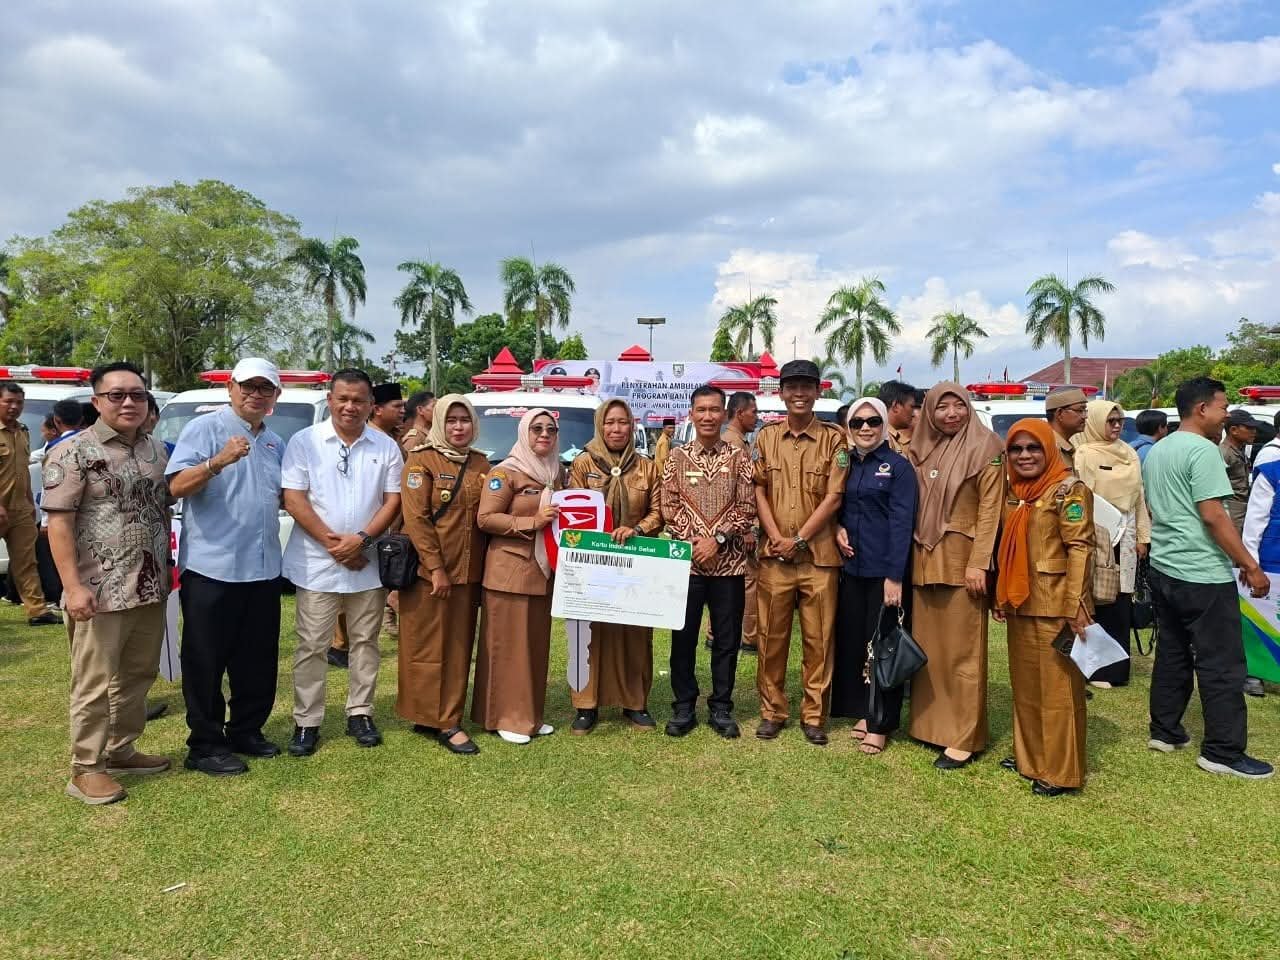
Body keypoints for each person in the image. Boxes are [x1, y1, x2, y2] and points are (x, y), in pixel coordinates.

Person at [45, 361, 173, 804]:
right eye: (116, 395)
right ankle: (85, 767)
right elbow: (58, 525)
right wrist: (73, 587)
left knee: (138, 674)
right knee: (93, 681)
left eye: (137, 394)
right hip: (97, 590)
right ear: (96, 401)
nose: (128, 402)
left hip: (149, 584)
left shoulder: (157, 450)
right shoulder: (72, 451)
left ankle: (120, 750)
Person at [1142, 377, 1273, 780]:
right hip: (1201, 572)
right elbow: (1213, 515)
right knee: (1222, 664)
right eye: (1222, 407)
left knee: (1174, 652)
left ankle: (1165, 731)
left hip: (1165, 568)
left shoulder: (1159, 450)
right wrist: (1250, 565)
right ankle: (1222, 751)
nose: (1227, 415)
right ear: (1201, 409)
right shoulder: (1203, 451)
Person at [166, 358, 286, 777]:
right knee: (205, 660)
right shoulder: (205, 428)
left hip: (263, 566)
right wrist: (217, 462)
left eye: (264, 388)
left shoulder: (274, 443)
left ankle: (246, 730)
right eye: (247, 386)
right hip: (212, 566)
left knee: (257, 658)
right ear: (230, 388)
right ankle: (205, 744)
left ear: (276, 396)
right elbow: (175, 487)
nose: (256, 394)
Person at [281, 369, 404, 757]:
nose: (350, 406)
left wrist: (362, 541)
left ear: (371, 405)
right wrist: (334, 545)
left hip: (366, 562)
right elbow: (294, 498)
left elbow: (393, 500)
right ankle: (307, 720)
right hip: (317, 563)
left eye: (359, 400)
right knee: (312, 645)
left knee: (366, 642)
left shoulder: (384, 446)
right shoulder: (305, 442)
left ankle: (361, 711)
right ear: (330, 399)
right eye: (343, 399)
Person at [993, 418, 1093, 797]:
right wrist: (1000, 595)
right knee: (1027, 687)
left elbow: (1080, 548)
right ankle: (1030, 758)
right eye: (1016, 449)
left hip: (1056, 603)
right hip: (1021, 601)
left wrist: (1075, 605)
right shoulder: (1017, 491)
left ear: (1048, 450)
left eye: (1033, 448)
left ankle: (1062, 771)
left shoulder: (1068, 490)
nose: (1024, 455)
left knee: (1059, 691)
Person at [907, 381, 1004, 769]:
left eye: (958, 405)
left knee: (964, 652)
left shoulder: (987, 448)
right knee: (930, 650)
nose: (951, 414)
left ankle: (964, 736)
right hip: (923, 560)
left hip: (963, 563)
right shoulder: (919, 449)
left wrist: (979, 562)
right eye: (942, 406)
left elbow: (990, 512)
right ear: (929, 411)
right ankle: (930, 726)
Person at [753, 359, 849, 746]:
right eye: (791, 386)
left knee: (819, 641)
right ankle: (772, 712)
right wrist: (777, 537)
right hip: (775, 557)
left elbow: (834, 495)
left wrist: (801, 540)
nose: (799, 393)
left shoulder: (834, 439)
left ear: (817, 391)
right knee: (770, 638)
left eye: (806, 386)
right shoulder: (766, 438)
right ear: (780, 391)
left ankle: (814, 716)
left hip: (819, 558)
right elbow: (759, 489)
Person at [659, 386, 756, 738]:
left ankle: (721, 707)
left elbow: (747, 508)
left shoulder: (739, 458)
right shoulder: (676, 458)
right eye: (701, 410)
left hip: (728, 566)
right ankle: (684, 706)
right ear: (691, 413)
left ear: (724, 413)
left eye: (714, 410)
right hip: (686, 565)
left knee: (727, 640)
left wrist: (716, 540)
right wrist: (695, 543)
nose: (708, 416)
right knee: (682, 638)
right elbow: (668, 507)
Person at [397, 394, 489, 754]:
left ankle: (445, 717)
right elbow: (416, 520)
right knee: (423, 646)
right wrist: (436, 568)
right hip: (429, 574)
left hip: (468, 573)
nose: (458, 427)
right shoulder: (421, 462)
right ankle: (435, 719)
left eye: (464, 420)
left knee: (456, 646)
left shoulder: (482, 464)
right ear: (438, 422)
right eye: (450, 420)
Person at [566, 398, 663, 733]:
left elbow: (658, 510)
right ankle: (585, 706)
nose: (616, 429)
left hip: (634, 559)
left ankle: (635, 703)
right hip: (591, 561)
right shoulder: (582, 464)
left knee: (634, 632)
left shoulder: (647, 466)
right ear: (600, 425)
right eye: (610, 422)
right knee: (588, 633)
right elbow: (573, 509)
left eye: (623, 422)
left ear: (632, 426)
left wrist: (636, 530)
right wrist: (599, 536)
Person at [831, 398, 916, 756]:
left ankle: (881, 722)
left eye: (873, 422)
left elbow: (902, 524)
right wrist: (836, 527)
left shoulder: (898, 468)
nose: (865, 429)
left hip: (885, 572)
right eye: (858, 423)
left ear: (883, 425)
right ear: (849, 428)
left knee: (883, 647)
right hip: (852, 570)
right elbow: (837, 504)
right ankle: (863, 712)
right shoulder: (845, 465)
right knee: (854, 642)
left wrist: (894, 576)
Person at [472, 408, 562, 745]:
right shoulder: (505, 472)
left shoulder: (556, 473)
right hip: (509, 572)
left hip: (542, 573)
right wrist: (532, 522)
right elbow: (486, 518)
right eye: (536, 428)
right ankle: (503, 717)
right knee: (508, 648)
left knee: (534, 647)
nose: (543, 434)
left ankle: (529, 716)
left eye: (550, 429)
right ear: (524, 433)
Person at [1073, 400, 1150, 688]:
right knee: (1096, 600)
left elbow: (1139, 497)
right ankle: (1092, 668)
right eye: (1110, 421)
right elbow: (1081, 496)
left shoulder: (1129, 452)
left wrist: (1143, 536)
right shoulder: (1084, 454)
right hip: (1097, 535)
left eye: (1120, 421)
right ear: (1095, 421)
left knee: (1120, 603)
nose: (1116, 426)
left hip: (1126, 538)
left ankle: (1115, 669)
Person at [0, 380, 59, 626]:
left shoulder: (23, 431)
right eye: (9, 402)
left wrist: (29, 503)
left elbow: (21, 470)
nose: (14, 407)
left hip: (21, 510)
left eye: (19, 403)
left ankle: (37, 611)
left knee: (27, 561)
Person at [722, 390, 760, 653]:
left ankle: (718, 632)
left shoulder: (738, 441)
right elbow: (734, 491)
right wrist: (746, 528)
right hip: (737, 525)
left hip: (730, 525)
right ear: (739, 413)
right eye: (753, 412)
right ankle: (749, 636)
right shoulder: (734, 445)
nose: (756, 417)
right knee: (749, 580)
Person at [1221, 409, 1259, 535]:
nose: (1254, 432)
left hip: (1242, 511)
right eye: (1249, 428)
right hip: (1231, 513)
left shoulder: (1239, 450)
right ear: (1233, 430)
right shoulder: (1224, 453)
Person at [1045, 387, 1088, 472]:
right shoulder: (1047, 448)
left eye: (1085, 410)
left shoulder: (1064, 447)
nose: (1085, 416)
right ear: (1060, 413)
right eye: (1080, 410)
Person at [878, 380, 919, 455]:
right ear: (896, 406)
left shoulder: (894, 437)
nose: (913, 414)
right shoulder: (882, 439)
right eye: (911, 407)